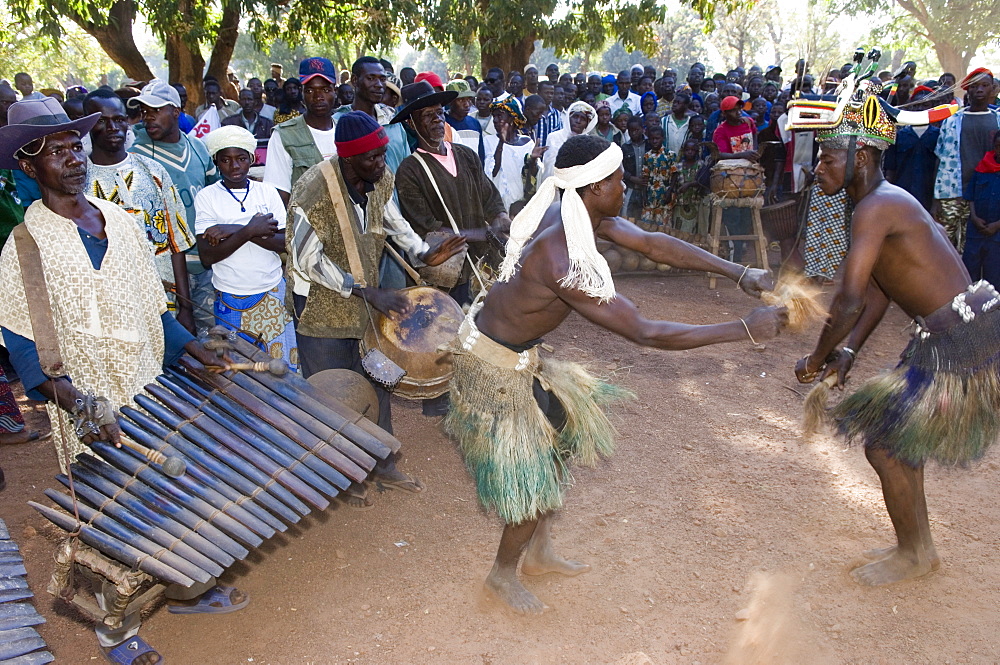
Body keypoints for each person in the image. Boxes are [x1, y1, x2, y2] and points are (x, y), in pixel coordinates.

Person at [444, 133, 785, 615]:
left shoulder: (584, 216)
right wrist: (743, 329)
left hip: (518, 355)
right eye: (619, 180)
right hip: (494, 367)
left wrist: (736, 271)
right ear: (593, 187)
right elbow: (644, 331)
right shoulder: (561, 255)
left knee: (560, 437)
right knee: (533, 471)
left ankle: (538, 553)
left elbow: (652, 243)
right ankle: (501, 576)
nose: (627, 186)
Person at [0, 96, 245, 662]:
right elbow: (29, 355)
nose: (71, 157)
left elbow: (154, 314)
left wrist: (194, 353)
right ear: (27, 167)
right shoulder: (23, 249)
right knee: (115, 521)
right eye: (53, 151)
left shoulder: (127, 226)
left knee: (177, 496)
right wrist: (80, 405)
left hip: (151, 392)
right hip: (87, 409)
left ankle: (189, 584)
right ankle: (117, 632)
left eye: (72, 145)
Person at [789, 74, 998, 589]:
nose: (817, 169)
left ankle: (915, 552)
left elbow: (850, 298)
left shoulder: (876, 206)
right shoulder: (881, 201)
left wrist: (819, 355)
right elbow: (881, 290)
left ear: (861, 154)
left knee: (885, 444)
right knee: (893, 441)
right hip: (955, 333)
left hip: (961, 341)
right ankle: (916, 548)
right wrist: (852, 350)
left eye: (827, 158)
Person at [286, 111, 465, 507]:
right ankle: (340, 476)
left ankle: (383, 464)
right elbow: (304, 259)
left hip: (367, 304)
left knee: (379, 380)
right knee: (334, 392)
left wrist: (424, 252)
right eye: (373, 158)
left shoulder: (378, 179)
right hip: (321, 309)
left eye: (383, 154)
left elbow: (393, 222)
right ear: (349, 159)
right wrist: (366, 291)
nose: (382, 164)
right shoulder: (312, 189)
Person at [83, 89, 195, 332]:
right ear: (88, 126)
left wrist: (186, 308)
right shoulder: (79, 182)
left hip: (165, 305)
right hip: (112, 311)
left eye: (119, 119)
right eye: (102, 121)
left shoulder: (154, 171)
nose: (113, 127)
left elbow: (177, 243)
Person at [393, 82, 511, 306]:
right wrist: (482, 233)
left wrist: (502, 219)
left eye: (439, 112)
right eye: (428, 115)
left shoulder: (466, 155)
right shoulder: (409, 170)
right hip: (445, 274)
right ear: (411, 123)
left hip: (480, 267)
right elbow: (427, 228)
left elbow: (490, 198)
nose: (438, 119)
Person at [194, 126, 297, 369]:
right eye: (225, 160)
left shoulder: (267, 192)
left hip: (271, 294)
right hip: (229, 297)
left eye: (241, 158)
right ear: (216, 162)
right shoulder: (207, 197)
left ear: (252, 159)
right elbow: (208, 256)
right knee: (240, 368)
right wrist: (250, 229)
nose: (235, 166)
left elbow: (284, 243)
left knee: (280, 368)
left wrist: (231, 230)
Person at [129, 79, 217, 332]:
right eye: (144, 111)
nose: (148, 117)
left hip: (204, 262)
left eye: (156, 110)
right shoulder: (137, 157)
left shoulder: (198, 147)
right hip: (164, 270)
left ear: (175, 111)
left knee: (211, 340)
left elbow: (215, 190)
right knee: (174, 343)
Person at [933, 68, 999, 252]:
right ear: (967, 90)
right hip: (953, 192)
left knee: (973, 248)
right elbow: (940, 158)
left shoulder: (998, 120)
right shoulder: (952, 121)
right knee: (944, 246)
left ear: (993, 89)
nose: (979, 90)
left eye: (984, 86)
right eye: (974, 86)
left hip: (985, 197)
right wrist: (935, 199)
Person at [264, 57, 338, 205]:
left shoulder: (347, 130)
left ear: (334, 92)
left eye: (325, 89)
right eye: (310, 90)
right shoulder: (284, 135)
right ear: (301, 93)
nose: (318, 97)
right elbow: (279, 195)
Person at [334, 56, 411, 174]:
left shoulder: (392, 121)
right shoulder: (338, 123)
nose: (379, 85)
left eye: (382, 79)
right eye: (371, 78)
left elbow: (407, 166)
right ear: (355, 80)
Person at [484, 97, 544, 211]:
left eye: (499, 116)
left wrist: (532, 160)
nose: (495, 120)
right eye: (494, 116)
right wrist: (501, 142)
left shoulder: (527, 142)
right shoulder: (489, 141)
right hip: (499, 204)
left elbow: (534, 176)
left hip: (521, 203)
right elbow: (492, 172)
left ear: (512, 118)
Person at [883, 90, 940, 212]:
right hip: (902, 196)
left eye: (925, 105)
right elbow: (890, 171)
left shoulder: (939, 136)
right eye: (916, 105)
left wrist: (936, 202)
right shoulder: (899, 136)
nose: (920, 109)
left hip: (928, 197)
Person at [960, 130, 1000, 286]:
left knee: (994, 277)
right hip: (976, 232)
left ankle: (993, 309)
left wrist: (997, 225)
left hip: (997, 237)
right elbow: (971, 197)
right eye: (998, 146)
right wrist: (974, 218)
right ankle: (970, 307)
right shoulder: (982, 167)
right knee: (970, 274)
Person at [540, 100, 597, 183]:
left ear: (587, 124)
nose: (578, 121)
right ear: (568, 118)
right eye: (575, 116)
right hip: (555, 185)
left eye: (583, 119)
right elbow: (549, 167)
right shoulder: (554, 137)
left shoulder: (589, 142)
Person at [222, 88, 275, 170]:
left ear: (255, 101)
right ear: (239, 101)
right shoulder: (229, 123)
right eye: (243, 99)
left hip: (262, 168)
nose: (247, 103)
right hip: (237, 168)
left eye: (249, 99)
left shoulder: (267, 123)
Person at [640, 124, 676, 227]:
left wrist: (670, 191)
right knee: (646, 224)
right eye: (652, 139)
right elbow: (645, 175)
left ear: (662, 138)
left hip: (665, 194)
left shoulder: (670, 155)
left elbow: (674, 174)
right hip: (651, 194)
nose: (655, 141)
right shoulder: (647, 156)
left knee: (663, 225)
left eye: (657, 138)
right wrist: (644, 194)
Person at [621, 115, 647, 219]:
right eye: (631, 131)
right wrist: (632, 178)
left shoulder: (650, 144)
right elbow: (621, 168)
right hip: (630, 188)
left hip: (646, 189)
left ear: (642, 129)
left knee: (644, 218)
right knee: (626, 215)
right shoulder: (625, 147)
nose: (634, 133)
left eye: (637, 130)